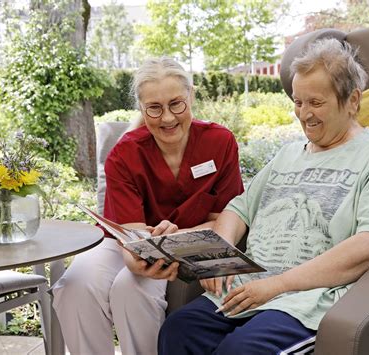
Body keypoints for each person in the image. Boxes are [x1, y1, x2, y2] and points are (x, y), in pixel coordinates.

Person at [158, 38, 369, 354]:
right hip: (245, 289)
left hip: (308, 301)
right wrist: (218, 260)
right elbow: (238, 210)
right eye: (298, 102)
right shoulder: (287, 155)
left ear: (352, 101)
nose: (304, 114)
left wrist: (277, 285)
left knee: (240, 351)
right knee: (178, 330)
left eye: (316, 103)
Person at [51, 57, 244, 355]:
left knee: (131, 290)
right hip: (126, 241)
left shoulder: (220, 142)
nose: (167, 118)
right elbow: (131, 238)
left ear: (190, 96)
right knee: (74, 286)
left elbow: (225, 218)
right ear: (141, 109)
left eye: (176, 103)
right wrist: (139, 253)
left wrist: (177, 236)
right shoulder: (125, 153)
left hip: (187, 241)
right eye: (154, 108)